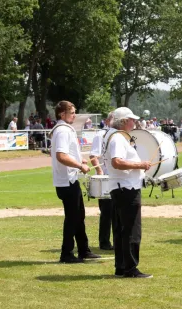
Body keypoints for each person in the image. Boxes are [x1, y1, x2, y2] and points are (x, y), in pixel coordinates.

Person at [103, 107, 152, 278]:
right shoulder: (117, 138)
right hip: (126, 188)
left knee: (121, 229)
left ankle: (122, 266)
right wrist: (141, 165)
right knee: (131, 230)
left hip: (122, 187)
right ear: (124, 121)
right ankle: (130, 268)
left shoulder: (116, 137)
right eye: (132, 119)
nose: (135, 122)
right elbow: (117, 162)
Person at [51, 100, 100, 263]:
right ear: (61, 114)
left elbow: (67, 154)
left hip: (70, 179)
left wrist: (81, 162)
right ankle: (66, 253)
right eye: (72, 112)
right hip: (67, 182)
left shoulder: (65, 130)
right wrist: (79, 165)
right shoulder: (63, 131)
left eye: (74, 112)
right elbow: (61, 156)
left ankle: (84, 250)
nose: (74, 115)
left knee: (79, 216)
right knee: (72, 218)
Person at [89, 112, 114, 250]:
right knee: (107, 212)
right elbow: (93, 156)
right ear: (108, 121)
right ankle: (104, 242)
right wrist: (100, 173)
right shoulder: (101, 135)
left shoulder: (119, 135)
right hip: (106, 179)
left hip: (117, 178)